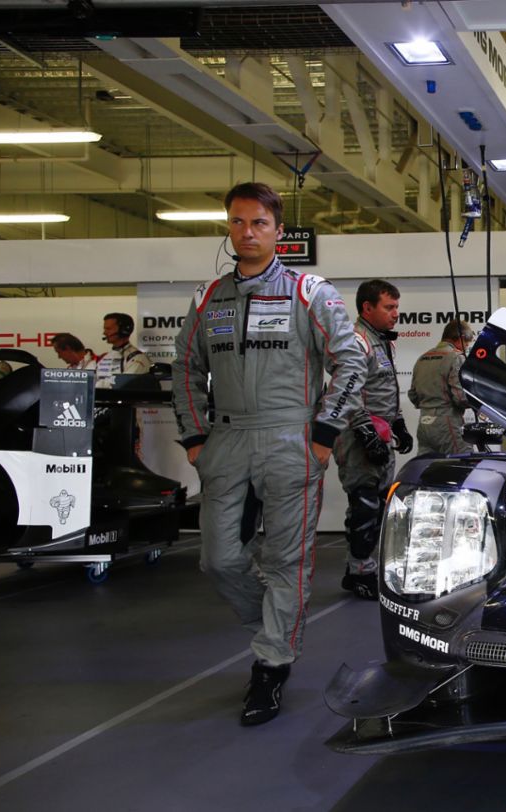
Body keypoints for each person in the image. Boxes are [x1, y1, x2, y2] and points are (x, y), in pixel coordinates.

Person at [172, 181, 364, 725]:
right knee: (217, 557)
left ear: (279, 232)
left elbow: (350, 363)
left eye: (258, 223)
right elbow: (186, 368)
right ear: (228, 228)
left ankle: (271, 665)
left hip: (291, 439)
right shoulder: (209, 298)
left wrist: (323, 434)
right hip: (226, 442)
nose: (247, 232)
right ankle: (279, 620)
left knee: (286, 561)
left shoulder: (310, 292)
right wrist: (194, 438)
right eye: (238, 222)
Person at [336, 279, 410, 600]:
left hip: (381, 434)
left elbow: (381, 390)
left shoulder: (384, 341)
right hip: (358, 436)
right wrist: (367, 435)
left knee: (379, 506)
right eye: (389, 307)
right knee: (364, 505)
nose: (396, 314)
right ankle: (359, 571)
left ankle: (363, 567)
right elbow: (347, 392)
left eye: (396, 307)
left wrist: (400, 424)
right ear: (367, 308)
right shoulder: (356, 341)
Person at [408, 319, 475, 455]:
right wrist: (477, 400)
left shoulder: (422, 358)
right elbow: (460, 398)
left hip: (424, 424)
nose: (466, 348)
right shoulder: (456, 357)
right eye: (467, 344)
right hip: (448, 424)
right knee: (461, 467)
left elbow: (413, 395)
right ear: (461, 339)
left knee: (427, 470)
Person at [97, 312, 150, 388]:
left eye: (108, 329)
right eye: (105, 329)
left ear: (124, 330)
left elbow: (124, 384)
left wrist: (98, 385)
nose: (104, 333)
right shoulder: (105, 357)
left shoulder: (137, 358)